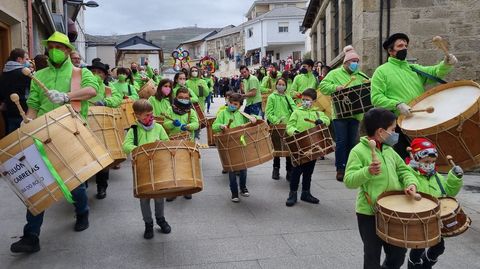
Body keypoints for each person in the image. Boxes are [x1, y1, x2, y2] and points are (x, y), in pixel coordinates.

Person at [11, 31, 98, 253]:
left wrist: (68, 96)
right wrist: (28, 120)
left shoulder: (80, 72)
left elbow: (92, 90)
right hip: (41, 134)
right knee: (38, 183)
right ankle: (31, 235)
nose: (56, 51)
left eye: (61, 47)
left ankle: (82, 210)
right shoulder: (40, 74)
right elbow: (33, 103)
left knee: (74, 183)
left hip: (71, 132)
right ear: (48, 50)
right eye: (52, 47)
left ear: (68, 51)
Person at [344, 107, 419, 269]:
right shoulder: (358, 151)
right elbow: (349, 181)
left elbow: (404, 170)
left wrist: (411, 183)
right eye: (393, 129)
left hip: (395, 210)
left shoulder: (389, 150)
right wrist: (367, 171)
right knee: (372, 256)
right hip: (369, 212)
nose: (394, 133)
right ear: (380, 131)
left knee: (398, 254)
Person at [370, 33, 457, 159]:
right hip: (397, 124)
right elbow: (376, 98)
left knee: (424, 158)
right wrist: (397, 104)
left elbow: (435, 72)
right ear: (390, 50)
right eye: (400, 46)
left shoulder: (413, 68)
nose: (404, 48)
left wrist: (446, 64)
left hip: (420, 120)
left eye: (406, 45)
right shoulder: (381, 71)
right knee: (404, 158)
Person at [405, 138, 463, 269]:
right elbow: (404, 187)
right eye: (426, 162)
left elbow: (448, 193)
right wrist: (410, 170)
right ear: (415, 159)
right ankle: (413, 264)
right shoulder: (409, 174)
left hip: (435, 221)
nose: (430, 164)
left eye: (432, 162)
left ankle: (427, 264)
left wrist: (455, 178)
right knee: (418, 251)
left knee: (438, 248)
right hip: (418, 220)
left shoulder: (437, 176)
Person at [122, 99, 172, 239]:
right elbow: (126, 146)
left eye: (151, 114)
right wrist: (140, 150)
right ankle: (148, 223)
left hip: (157, 167)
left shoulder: (158, 127)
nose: (149, 117)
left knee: (159, 196)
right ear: (137, 116)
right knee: (144, 198)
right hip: (142, 168)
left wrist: (160, 145)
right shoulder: (133, 130)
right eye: (145, 115)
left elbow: (166, 142)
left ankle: (161, 219)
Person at [319, 45, 370, 182]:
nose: (355, 64)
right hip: (340, 114)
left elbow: (370, 88)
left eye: (357, 62)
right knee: (341, 141)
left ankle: (350, 167)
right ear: (345, 63)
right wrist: (336, 88)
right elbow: (322, 86)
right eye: (352, 62)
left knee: (352, 142)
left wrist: (369, 84)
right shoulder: (334, 74)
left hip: (356, 114)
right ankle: (340, 168)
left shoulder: (361, 75)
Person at [285, 89, 330, 207]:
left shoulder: (317, 113)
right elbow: (290, 126)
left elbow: (326, 120)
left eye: (308, 100)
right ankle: (292, 193)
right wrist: (294, 131)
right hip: (299, 145)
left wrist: (322, 121)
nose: (305, 102)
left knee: (309, 171)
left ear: (314, 101)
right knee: (296, 171)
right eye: (303, 99)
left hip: (313, 146)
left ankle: (306, 192)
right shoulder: (297, 112)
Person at [87, 60, 123, 199]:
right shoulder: (82, 86)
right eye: (93, 72)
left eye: (99, 72)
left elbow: (117, 99)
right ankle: (83, 183)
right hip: (85, 124)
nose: (96, 74)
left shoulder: (108, 88)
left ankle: (102, 186)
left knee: (103, 158)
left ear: (104, 75)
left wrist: (105, 102)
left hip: (102, 125)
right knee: (86, 156)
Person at [213, 93, 257, 202]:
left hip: (241, 145)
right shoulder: (223, 113)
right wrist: (221, 126)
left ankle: (243, 187)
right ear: (228, 102)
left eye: (235, 104)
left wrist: (254, 119)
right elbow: (214, 126)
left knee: (243, 168)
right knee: (231, 170)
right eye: (231, 103)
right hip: (229, 145)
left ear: (240, 105)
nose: (232, 105)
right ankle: (234, 192)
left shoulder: (242, 114)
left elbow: (253, 121)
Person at [163, 87, 200, 201]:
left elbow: (196, 124)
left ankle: (187, 189)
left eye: (186, 98)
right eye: (181, 98)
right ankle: (173, 191)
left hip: (187, 142)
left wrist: (189, 126)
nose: (184, 100)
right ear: (176, 97)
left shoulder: (191, 111)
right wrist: (172, 124)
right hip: (172, 142)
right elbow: (165, 124)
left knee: (186, 166)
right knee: (172, 167)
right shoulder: (170, 109)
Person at [265, 78, 296, 181]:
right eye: (279, 84)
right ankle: (276, 169)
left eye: (283, 84)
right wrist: (276, 121)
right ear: (276, 85)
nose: (281, 86)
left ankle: (289, 171)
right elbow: (268, 112)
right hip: (276, 127)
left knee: (288, 150)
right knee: (276, 149)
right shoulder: (271, 97)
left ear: (286, 86)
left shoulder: (288, 97)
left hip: (288, 127)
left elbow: (294, 110)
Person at [0, 48, 31, 134]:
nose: (26, 61)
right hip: (23, 109)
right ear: (19, 59)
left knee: (11, 136)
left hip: (8, 110)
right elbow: (32, 90)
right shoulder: (23, 73)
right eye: (25, 59)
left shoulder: (4, 73)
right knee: (25, 135)